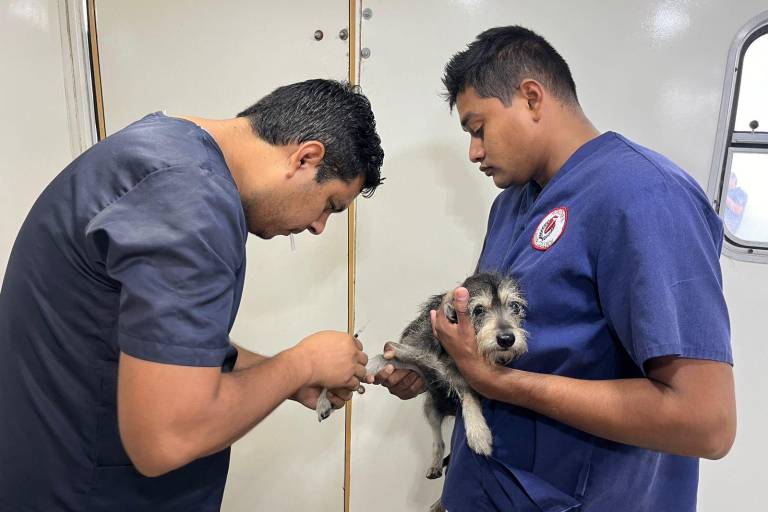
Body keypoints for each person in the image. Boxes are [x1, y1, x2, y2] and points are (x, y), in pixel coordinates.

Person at [382, 26, 736, 511]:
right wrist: (441, 368)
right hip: (481, 490)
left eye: (478, 127)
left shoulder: (646, 197)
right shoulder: (511, 206)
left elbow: (706, 422)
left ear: (531, 97)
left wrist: (501, 384)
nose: (474, 152)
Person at [0, 79, 383, 511]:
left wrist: (285, 378)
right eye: (331, 204)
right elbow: (168, 437)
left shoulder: (162, 150)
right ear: (306, 157)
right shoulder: (192, 203)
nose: (318, 226)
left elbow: (162, 345)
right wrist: (301, 364)